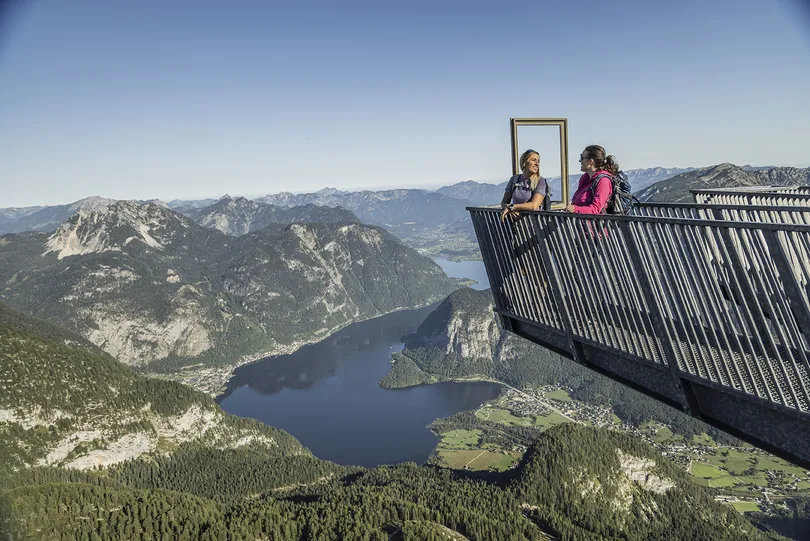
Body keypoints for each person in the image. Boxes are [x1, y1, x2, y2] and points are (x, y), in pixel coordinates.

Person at [566, 145, 620, 214]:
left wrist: (575, 209)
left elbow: (596, 209)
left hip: (596, 224)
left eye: (582, 158)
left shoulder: (603, 181)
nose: (580, 161)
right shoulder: (585, 179)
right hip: (581, 223)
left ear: (590, 161)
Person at [500, 149, 549, 222]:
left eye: (538, 161)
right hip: (517, 225)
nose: (537, 164)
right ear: (524, 162)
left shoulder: (540, 181)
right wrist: (510, 210)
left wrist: (512, 207)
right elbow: (504, 202)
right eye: (533, 160)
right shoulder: (514, 179)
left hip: (535, 225)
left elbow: (534, 206)